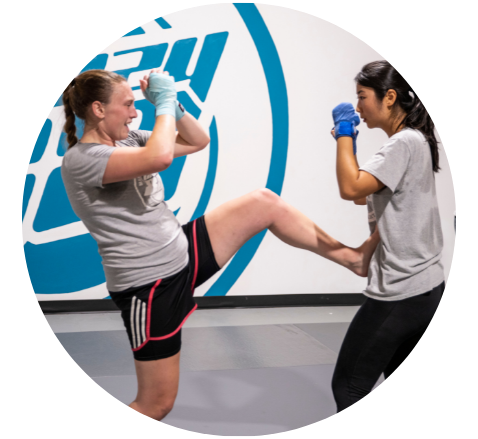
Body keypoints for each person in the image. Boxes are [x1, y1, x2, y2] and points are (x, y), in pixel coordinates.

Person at [60, 68, 380, 422]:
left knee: (264, 202)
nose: (135, 112)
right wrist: (162, 103)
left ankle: (353, 259)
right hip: (149, 286)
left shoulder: (128, 139)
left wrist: (175, 107)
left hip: (180, 250)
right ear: (98, 110)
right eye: (129, 104)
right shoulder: (81, 161)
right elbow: (160, 157)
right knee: (155, 407)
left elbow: (197, 141)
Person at [329, 60, 445, 414]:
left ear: (389, 97)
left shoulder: (403, 143)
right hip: (426, 286)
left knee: (348, 387)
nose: (359, 106)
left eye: (362, 97)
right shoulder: (414, 141)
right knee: (401, 395)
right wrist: (346, 145)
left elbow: (350, 188)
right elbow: (366, 194)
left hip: (402, 291)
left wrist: (345, 134)